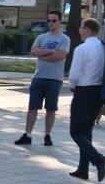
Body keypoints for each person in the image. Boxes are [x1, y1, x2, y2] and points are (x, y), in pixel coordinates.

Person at [14, 10, 70, 146]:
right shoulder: (41, 37)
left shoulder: (64, 39)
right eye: (49, 20)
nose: (51, 23)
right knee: (33, 107)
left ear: (59, 22)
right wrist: (51, 51)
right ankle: (27, 134)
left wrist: (43, 54)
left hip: (54, 78)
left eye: (54, 21)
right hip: (39, 77)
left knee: (51, 108)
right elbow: (33, 51)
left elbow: (60, 56)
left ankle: (47, 135)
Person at [67, 18, 105, 182]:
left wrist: (72, 84)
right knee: (86, 131)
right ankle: (83, 169)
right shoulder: (103, 47)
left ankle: (98, 159)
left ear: (88, 30)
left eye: (81, 28)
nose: (79, 30)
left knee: (76, 131)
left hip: (83, 91)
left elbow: (74, 72)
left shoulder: (82, 49)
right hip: (98, 92)